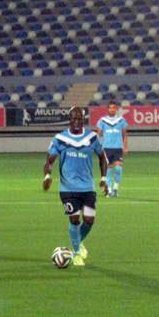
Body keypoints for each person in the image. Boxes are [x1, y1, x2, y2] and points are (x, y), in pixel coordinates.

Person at [43, 107, 108, 267]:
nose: (77, 122)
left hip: (88, 187)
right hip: (68, 188)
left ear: (83, 120)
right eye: (74, 119)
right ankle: (77, 254)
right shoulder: (60, 139)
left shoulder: (92, 138)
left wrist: (104, 178)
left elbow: (102, 157)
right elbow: (49, 160)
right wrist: (47, 176)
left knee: (89, 220)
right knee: (74, 219)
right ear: (70, 119)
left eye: (80, 119)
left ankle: (77, 243)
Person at [95, 102, 129, 197]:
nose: (112, 109)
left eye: (114, 108)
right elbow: (98, 134)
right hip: (106, 148)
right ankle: (109, 190)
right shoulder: (102, 120)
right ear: (108, 109)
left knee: (118, 168)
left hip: (118, 147)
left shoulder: (121, 120)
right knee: (108, 169)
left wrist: (125, 146)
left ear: (116, 109)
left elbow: (125, 134)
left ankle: (115, 188)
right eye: (110, 108)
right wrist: (98, 146)